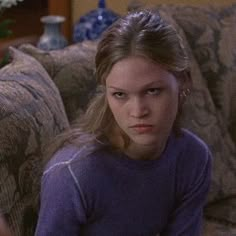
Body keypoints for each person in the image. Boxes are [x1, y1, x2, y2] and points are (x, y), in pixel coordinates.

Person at [35, 8, 212, 236]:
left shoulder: (193, 158)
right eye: (120, 95)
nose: (138, 112)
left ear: (183, 84)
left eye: (153, 91)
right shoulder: (73, 175)